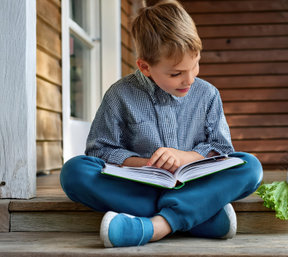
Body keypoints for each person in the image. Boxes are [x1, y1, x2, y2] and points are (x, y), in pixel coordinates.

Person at [60, 0, 263, 248]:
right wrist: (147, 164)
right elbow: (100, 150)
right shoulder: (119, 95)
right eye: (176, 73)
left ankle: (155, 226)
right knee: (75, 171)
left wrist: (184, 157)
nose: (189, 79)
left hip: (194, 183)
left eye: (196, 64)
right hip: (140, 187)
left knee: (250, 167)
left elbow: (221, 149)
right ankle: (199, 217)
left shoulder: (208, 94)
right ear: (145, 67)